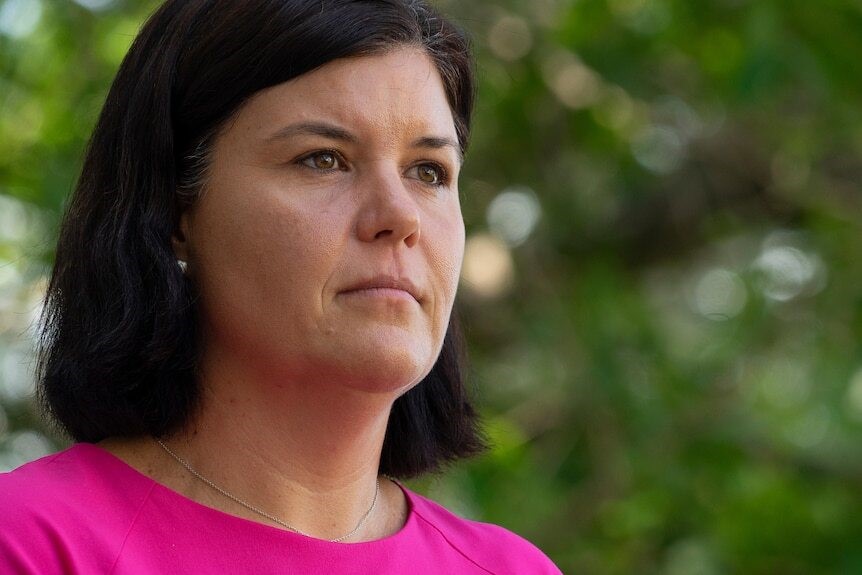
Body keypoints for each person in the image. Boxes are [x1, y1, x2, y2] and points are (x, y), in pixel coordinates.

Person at [0, 0, 562, 573]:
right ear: (174, 210)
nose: (400, 215)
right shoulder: (33, 545)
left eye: (428, 172)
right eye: (324, 159)